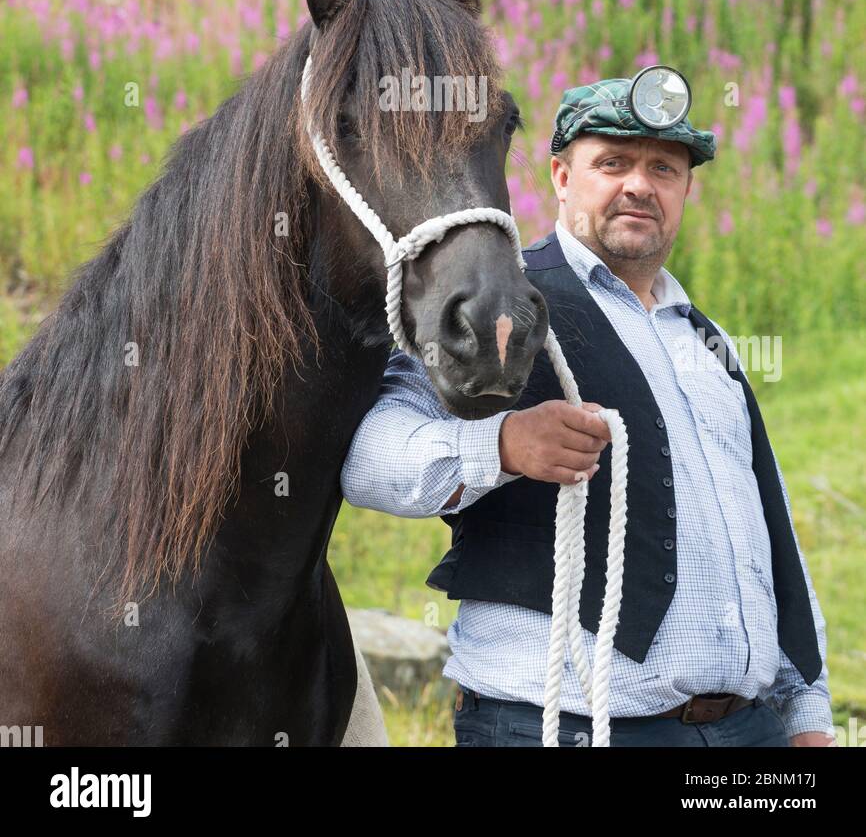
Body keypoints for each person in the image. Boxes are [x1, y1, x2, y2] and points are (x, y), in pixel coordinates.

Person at [341, 75, 835, 747]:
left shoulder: (704, 339)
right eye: (613, 163)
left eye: (663, 168)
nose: (639, 184)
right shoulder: (494, 304)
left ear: (686, 191)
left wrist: (805, 711)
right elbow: (368, 458)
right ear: (561, 177)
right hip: (562, 729)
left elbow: (769, 536)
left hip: (749, 734)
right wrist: (504, 446)